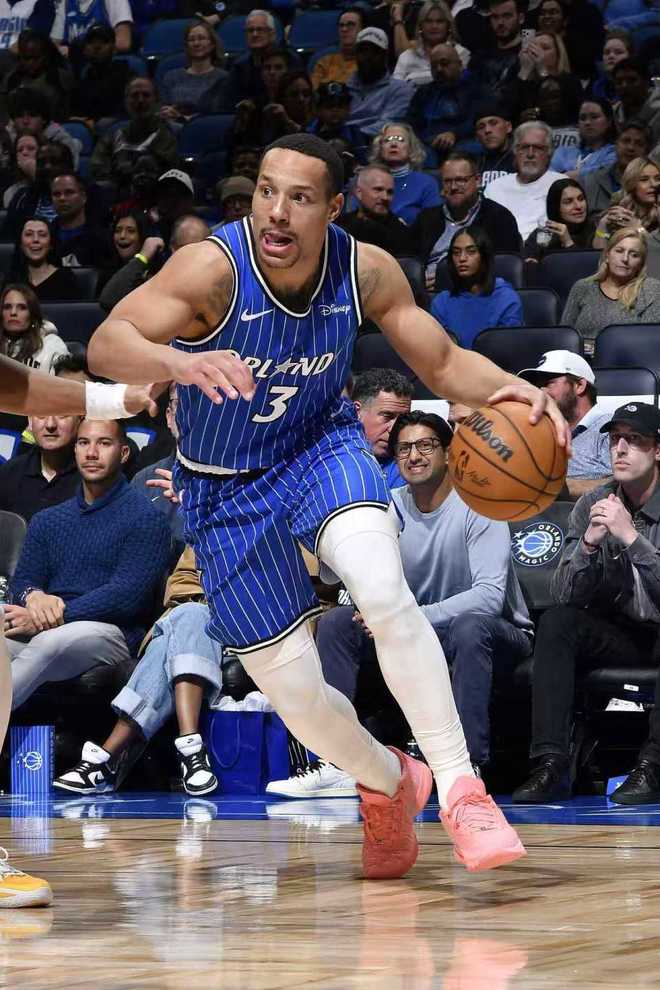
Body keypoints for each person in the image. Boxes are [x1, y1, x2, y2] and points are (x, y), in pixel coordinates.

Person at [87, 133, 570, 880]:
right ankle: (390, 780)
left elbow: (443, 361)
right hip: (224, 486)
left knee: (382, 590)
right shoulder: (212, 269)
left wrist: (507, 387)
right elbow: (106, 343)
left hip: (320, 448)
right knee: (298, 697)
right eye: (266, 192)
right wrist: (177, 360)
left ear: (334, 208)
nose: (276, 213)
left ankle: (461, 788)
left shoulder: (363, 269)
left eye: (300, 198)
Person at [275, 410, 533, 795]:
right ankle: (338, 762)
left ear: (449, 454)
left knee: (469, 627)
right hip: (417, 629)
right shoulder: (387, 506)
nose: (413, 456)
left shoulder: (480, 506)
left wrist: (408, 617)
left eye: (425, 445)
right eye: (404, 449)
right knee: (337, 623)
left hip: (495, 634)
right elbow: (339, 575)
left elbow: (489, 598)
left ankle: (465, 771)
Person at [512, 402, 660, 804]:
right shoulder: (593, 503)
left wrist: (632, 538)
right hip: (621, 632)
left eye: (634, 440)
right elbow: (564, 594)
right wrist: (589, 546)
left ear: (657, 450)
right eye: (615, 440)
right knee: (558, 621)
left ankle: (652, 766)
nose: (620, 449)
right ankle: (551, 764)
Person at [5, 415, 170, 707]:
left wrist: (53, 615)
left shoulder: (146, 518)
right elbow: (24, 580)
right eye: (83, 443)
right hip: (49, 623)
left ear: (123, 453)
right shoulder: (48, 520)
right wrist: (33, 597)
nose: (91, 453)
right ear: (75, 449)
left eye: (104, 443)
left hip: (110, 631)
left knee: (49, 643)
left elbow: (125, 597)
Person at [53, 548, 221, 798]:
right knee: (190, 617)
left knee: (174, 638)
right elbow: (180, 582)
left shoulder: (277, 535)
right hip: (196, 621)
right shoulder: (207, 533)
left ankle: (106, 759)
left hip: (245, 631)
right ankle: (192, 752)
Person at [409, 151, 520, 289]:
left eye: (460, 180)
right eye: (448, 181)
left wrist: (445, 279)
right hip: (425, 292)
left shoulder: (499, 217)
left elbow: (503, 268)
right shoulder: (426, 218)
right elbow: (410, 261)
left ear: (477, 180)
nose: (453, 187)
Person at [518, 350, 613, 497]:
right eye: (538, 386)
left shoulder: (609, 429)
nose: (540, 393)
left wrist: (556, 487)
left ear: (579, 385)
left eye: (549, 383)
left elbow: (626, 484)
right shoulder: (539, 431)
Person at [562, 227, 660, 356]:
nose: (625, 258)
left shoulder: (652, 290)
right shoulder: (583, 287)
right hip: (578, 361)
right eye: (619, 251)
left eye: (634, 255)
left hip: (628, 362)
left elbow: (648, 343)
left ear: (641, 263)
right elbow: (564, 336)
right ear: (607, 255)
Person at [431, 226, 522, 348]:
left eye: (471, 252)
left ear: (484, 256)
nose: (462, 258)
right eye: (456, 253)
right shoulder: (441, 302)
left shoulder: (507, 299)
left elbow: (508, 349)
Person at [99, 214, 209, 312]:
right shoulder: (159, 279)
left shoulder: (215, 278)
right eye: (187, 248)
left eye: (201, 248)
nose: (122, 236)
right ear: (173, 248)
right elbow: (108, 300)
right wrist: (142, 257)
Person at [90, 77, 179, 193]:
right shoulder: (114, 134)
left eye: (146, 95)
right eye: (134, 95)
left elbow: (161, 169)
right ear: (126, 102)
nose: (140, 100)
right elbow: (97, 167)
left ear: (157, 101)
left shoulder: (166, 133)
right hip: (117, 193)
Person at [485, 121, 564, 241]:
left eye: (538, 148)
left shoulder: (562, 184)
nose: (530, 154)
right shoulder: (495, 188)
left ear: (549, 153)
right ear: (515, 151)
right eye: (524, 147)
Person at [0, 408, 79, 518]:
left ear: (80, 420)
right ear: (30, 420)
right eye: (41, 414)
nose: (50, 424)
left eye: (62, 415)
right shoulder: (9, 473)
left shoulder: (92, 477)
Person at [405, 43, 482, 156]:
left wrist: (454, 134)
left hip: (462, 142)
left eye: (444, 63)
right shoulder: (423, 92)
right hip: (427, 144)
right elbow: (411, 123)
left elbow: (477, 121)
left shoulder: (476, 90)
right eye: (434, 66)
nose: (439, 69)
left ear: (460, 65)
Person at [346, 28, 414, 145]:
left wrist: (349, 134)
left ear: (385, 55)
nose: (368, 57)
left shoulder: (400, 89)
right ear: (356, 55)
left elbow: (389, 124)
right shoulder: (345, 89)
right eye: (363, 51)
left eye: (374, 52)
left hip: (379, 143)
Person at [368, 122, 440, 225]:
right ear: (380, 148)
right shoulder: (367, 181)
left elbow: (434, 223)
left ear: (411, 148)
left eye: (400, 139)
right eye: (388, 140)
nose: (393, 144)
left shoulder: (427, 183)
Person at [351, 368, 412, 490]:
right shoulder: (325, 460)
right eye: (387, 416)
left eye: (403, 419)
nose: (394, 429)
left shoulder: (412, 466)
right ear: (356, 412)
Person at [158, 19, 227, 124]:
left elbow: (219, 114)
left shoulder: (223, 78)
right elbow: (164, 109)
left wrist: (183, 118)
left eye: (201, 38)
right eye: (191, 39)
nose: (196, 43)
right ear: (186, 46)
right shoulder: (171, 77)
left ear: (212, 44)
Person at [582, 121, 651, 223]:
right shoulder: (593, 179)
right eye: (626, 141)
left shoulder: (653, 185)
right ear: (616, 144)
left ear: (647, 151)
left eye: (639, 144)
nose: (631, 148)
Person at [338, 165, 413, 257]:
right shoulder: (339, 227)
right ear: (359, 192)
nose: (385, 197)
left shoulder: (401, 234)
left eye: (390, 192)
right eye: (378, 189)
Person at [393, 0, 470, 89]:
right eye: (428, 21)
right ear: (420, 26)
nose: (434, 26)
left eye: (440, 21)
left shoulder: (461, 54)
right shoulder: (406, 57)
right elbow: (394, 90)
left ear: (448, 26)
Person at [69, 22, 134, 124]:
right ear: (84, 50)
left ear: (114, 48)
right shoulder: (83, 78)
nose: (97, 46)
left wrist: (95, 121)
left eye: (104, 42)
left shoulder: (126, 75)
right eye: (91, 42)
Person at [593, 156, 660, 250]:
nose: (653, 184)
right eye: (644, 180)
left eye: (658, 179)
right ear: (631, 184)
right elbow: (599, 254)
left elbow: (656, 251)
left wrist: (639, 229)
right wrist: (603, 226)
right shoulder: (619, 213)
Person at [0, 281, 67, 373]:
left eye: (22, 307)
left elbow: (67, 378)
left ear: (32, 314)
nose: (13, 312)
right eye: (7, 307)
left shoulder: (52, 345)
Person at [524, 177, 596, 262]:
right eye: (568, 202)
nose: (578, 206)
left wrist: (568, 242)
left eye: (581, 199)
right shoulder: (542, 234)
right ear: (555, 207)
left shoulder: (596, 231)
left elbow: (587, 268)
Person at [50, 171, 113, 268]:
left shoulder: (103, 238)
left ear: (83, 197)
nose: (62, 198)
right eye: (56, 194)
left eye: (69, 192)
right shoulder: (46, 237)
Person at [7, 215, 78, 300]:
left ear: (51, 244)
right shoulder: (11, 279)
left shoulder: (66, 278)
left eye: (42, 235)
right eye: (29, 234)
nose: (35, 239)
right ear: (21, 244)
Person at [551, 99, 617, 178]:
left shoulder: (615, 152)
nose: (587, 122)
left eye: (594, 117)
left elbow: (601, 174)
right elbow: (548, 175)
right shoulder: (564, 151)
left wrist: (567, 175)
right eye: (583, 118)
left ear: (609, 121)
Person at [49, 0, 133, 53]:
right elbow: (53, 46)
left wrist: (75, 51)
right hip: (75, 68)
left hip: (107, 66)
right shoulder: (66, 3)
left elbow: (123, 43)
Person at [311, 7, 363, 90]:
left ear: (362, 29)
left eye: (351, 25)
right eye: (341, 25)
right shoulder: (325, 61)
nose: (344, 29)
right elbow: (313, 91)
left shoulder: (368, 63)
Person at [474, 103, 515, 189]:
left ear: (508, 127)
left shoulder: (520, 159)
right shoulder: (473, 163)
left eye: (493, 123)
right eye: (481, 127)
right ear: (477, 136)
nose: (487, 130)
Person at [592, 28, 634, 104]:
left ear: (630, 56)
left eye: (618, 52)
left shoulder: (637, 87)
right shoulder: (597, 86)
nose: (611, 56)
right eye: (606, 52)